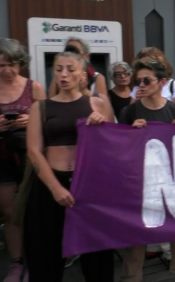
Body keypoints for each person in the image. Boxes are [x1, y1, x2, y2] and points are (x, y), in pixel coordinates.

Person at [24, 51, 113, 282]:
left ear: (82, 74)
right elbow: (34, 150)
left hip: (89, 186)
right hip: (50, 187)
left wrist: (100, 127)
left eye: (70, 69)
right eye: (59, 69)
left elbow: (112, 145)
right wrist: (55, 188)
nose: (64, 74)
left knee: (97, 255)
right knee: (47, 254)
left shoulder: (97, 104)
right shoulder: (40, 108)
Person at [118, 59, 175, 282]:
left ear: (162, 82)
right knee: (137, 230)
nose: (141, 84)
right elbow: (119, 149)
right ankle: (132, 276)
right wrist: (131, 133)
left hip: (171, 179)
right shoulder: (129, 112)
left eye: (146, 80)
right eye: (138, 81)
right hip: (140, 181)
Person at [0, 39, 46, 282]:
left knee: (32, 210)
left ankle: (34, 258)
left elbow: (48, 123)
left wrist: (31, 121)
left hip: (30, 157)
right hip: (2, 158)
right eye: (1, 65)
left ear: (21, 63)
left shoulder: (34, 87)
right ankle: (17, 262)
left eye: (12, 64)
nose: (7, 70)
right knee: (9, 211)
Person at [130, 47, 175, 117]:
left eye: (150, 63)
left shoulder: (174, 85)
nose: (146, 67)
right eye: (142, 64)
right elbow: (130, 115)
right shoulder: (138, 86)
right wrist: (137, 101)